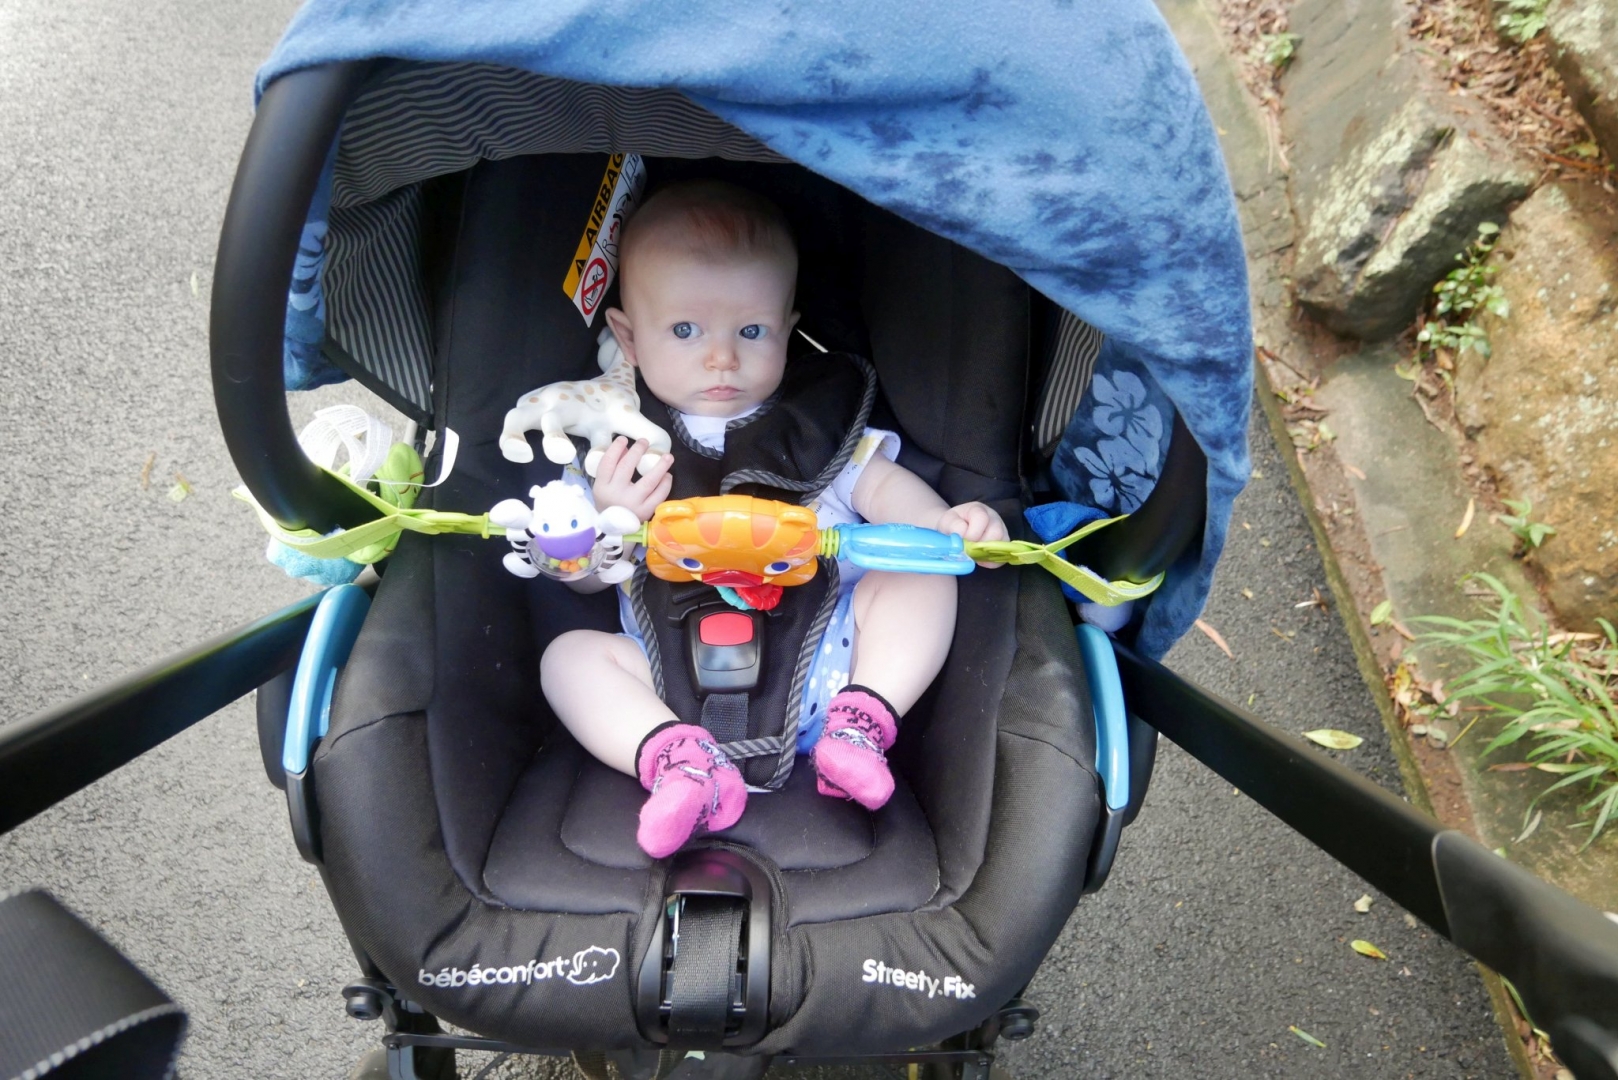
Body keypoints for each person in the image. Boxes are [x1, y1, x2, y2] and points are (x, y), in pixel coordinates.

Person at [539, 180, 1007, 858]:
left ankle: (862, 724)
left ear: (788, 331)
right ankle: (676, 762)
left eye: (752, 331)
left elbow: (884, 489)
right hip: (663, 683)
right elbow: (576, 578)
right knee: (568, 660)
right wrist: (608, 525)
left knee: (922, 574)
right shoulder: (616, 447)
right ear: (629, 338)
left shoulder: (818, 430)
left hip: (832, 665)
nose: (722, 357)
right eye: (685, 330)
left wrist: (946, 524)